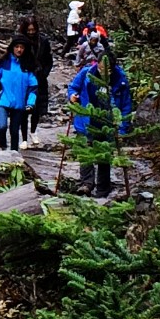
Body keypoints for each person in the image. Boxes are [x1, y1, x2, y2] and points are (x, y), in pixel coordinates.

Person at [66, 43, 133, 195]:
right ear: (98, 63)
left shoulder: (120, 80)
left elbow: (126, 105)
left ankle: (103, 187)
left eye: (108, 69)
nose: (105, 72)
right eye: (102, 68)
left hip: (108, 123)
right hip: (87, 119)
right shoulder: (86, 73)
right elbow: (73, 88)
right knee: (85, 151)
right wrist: (72, 97)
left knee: (104, 155)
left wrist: (122, 128)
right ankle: (86, 184)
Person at [0, 41, 36, 152]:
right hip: (3, 101)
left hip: (19, 104)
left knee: (14, 131)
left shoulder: (27, 66)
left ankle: (14, 154)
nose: (19, 50)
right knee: (2, 126)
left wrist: (30, 103)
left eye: (22, 47)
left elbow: (33, 87)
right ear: (12, 48)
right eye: (17, 47)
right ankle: (2, 148)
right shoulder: (4, 63)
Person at [16, 14, 53, 137]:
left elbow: (49, 60)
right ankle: (24, 134)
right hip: (24, 79)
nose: (31, 32)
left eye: (33, 30)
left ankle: (33, 130)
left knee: (37, 109)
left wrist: (44, 73)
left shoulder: (43, 41)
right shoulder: (19, 42)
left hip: (40, 78)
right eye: (29, 30)